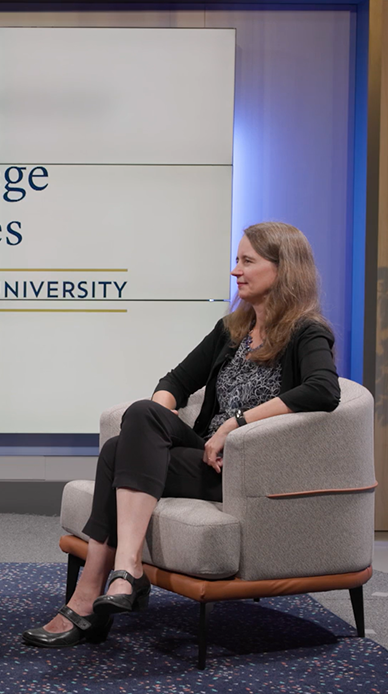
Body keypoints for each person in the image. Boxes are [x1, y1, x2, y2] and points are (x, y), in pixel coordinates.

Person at [21, 221, 341, 648]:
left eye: (247, 261)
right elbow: (175, 380)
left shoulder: (306, 331)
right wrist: (158, 416)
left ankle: (91, 596)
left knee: (118, 451)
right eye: (236, 260)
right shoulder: (232, 330)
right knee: (138, 423)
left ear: (283, 270)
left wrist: (236, 423)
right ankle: (123, 570)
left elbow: (324, 389)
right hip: (203, 456)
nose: (236, 271)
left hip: (244, 467)